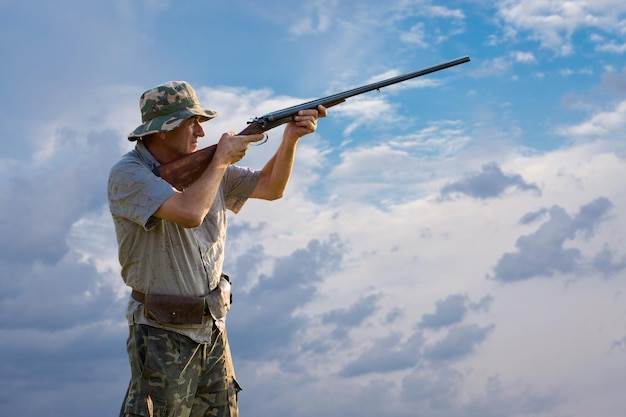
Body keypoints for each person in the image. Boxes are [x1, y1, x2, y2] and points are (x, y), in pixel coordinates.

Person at [108, 80, 325, 417]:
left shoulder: (206, 166)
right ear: (161, 131)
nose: (200, 132)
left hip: (213, 328)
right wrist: (221, 161)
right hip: (161, 333)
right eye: (190, 123)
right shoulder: (128, 174)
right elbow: (189, 213)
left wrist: (290, 138)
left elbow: (271, 188)